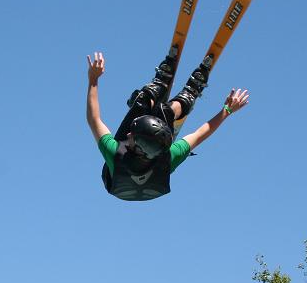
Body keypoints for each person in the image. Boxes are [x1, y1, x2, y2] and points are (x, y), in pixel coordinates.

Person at [86, 51, 250, 201]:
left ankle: (150, 94)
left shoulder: (115, 153)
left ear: (135, 147)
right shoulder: (169, 158)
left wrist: (93, 79)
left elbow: (93, 119)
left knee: (142, 104)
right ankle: (189, 95)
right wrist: (226, 111)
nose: (128, 133)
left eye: (132, 135)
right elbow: (200, 134)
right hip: (147, 174)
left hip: (116, 177)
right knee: (166, 111)